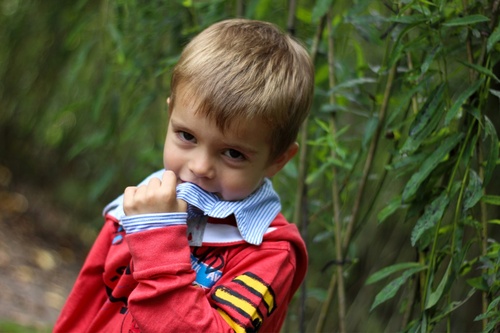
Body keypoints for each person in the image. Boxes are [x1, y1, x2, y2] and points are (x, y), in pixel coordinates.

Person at [54, 18, 314, 333]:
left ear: (277, 160)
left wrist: (159, 245)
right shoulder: (140, 206)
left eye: (233, 153)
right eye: (187, 136)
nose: (200, 166)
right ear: (170, 115)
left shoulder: (271, 254)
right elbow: (89, 306)